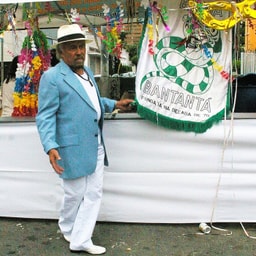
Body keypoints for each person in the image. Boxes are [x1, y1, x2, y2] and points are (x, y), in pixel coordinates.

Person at [36, 24, 133, 255]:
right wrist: (50, 146)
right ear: (61, 51)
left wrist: (113, 104)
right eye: (72, 48)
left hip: (96, 143)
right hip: (71, 146)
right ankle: (67, 225)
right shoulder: (52, 78)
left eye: (81, 46)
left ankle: (80, 239)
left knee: (94, 192)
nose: (79, 51)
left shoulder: (87, 72)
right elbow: (45, 115)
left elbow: (93, 100)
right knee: (74, 193)